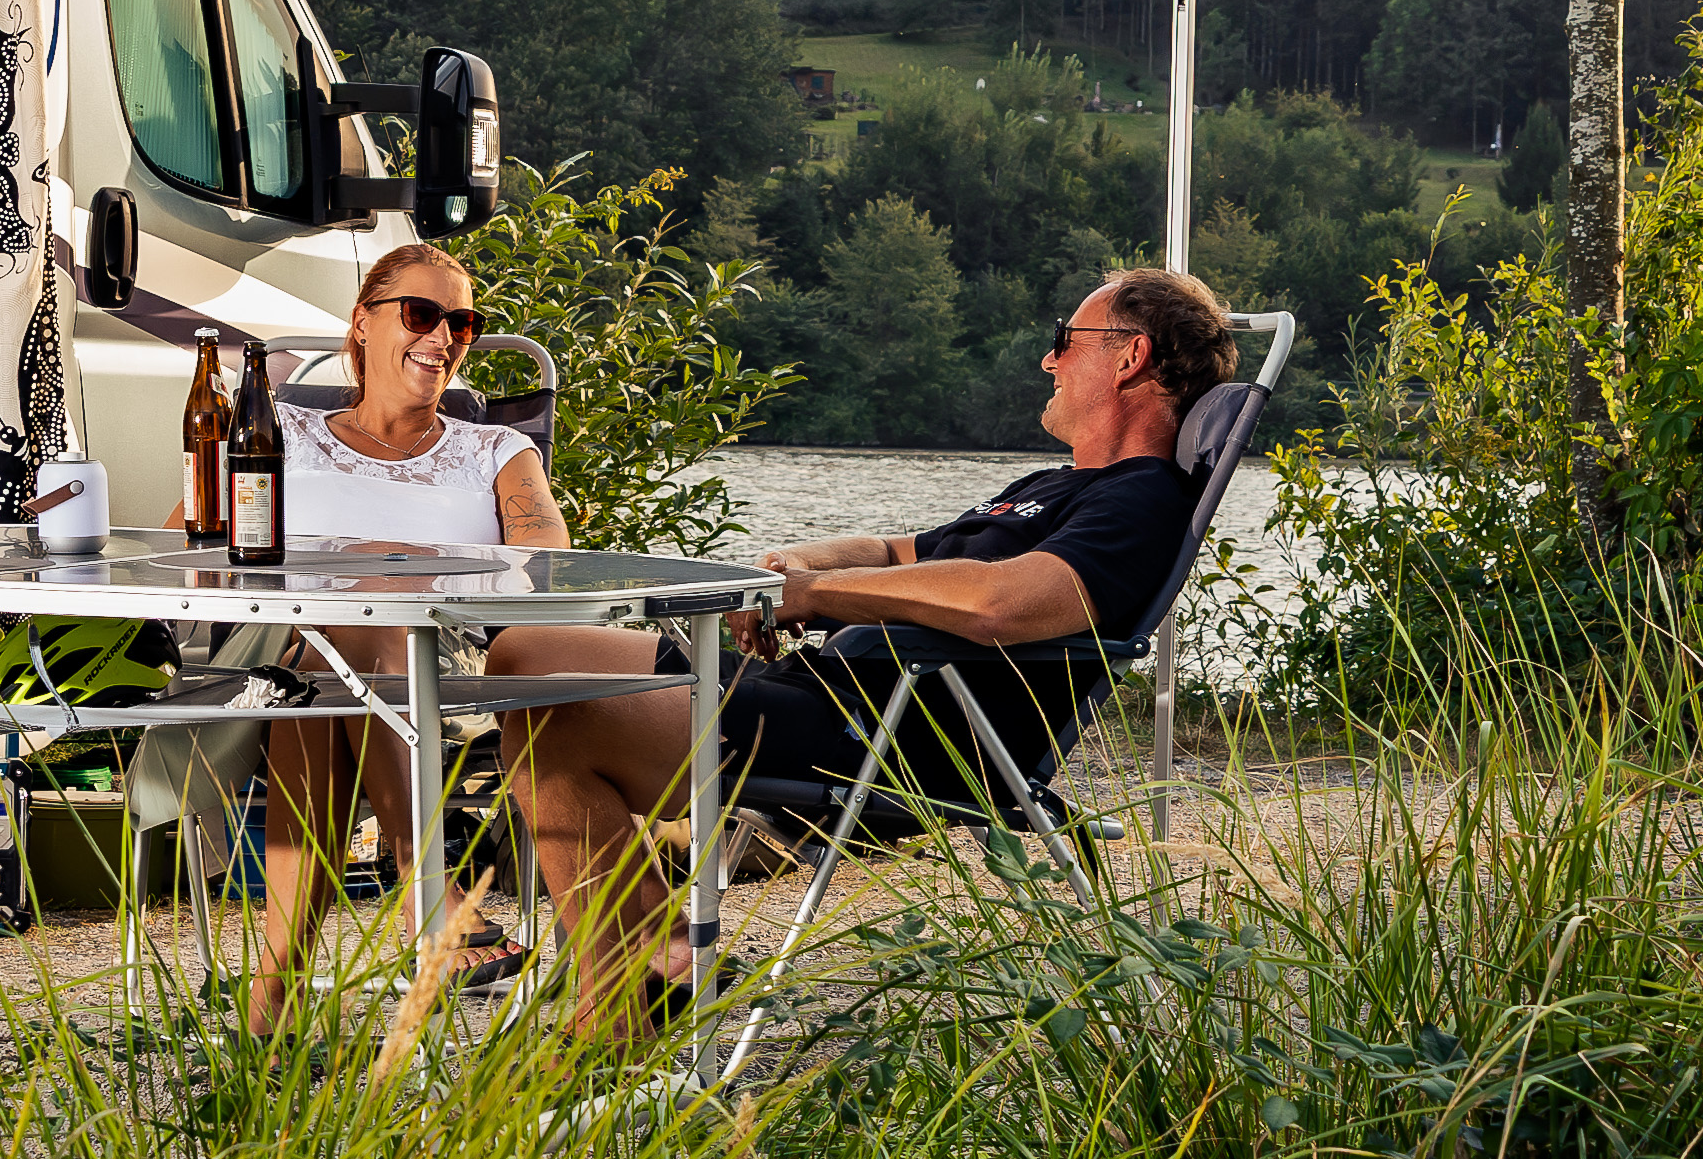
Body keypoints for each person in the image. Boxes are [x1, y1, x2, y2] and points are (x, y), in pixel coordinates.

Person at [494, 265, 1231, 1028]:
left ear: (1129, 356)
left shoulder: (1140, 500)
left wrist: (816, 599)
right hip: (831, 689)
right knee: (525, 652)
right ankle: (666, 946)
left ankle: (623, 1000)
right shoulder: (1051, 485)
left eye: (1063, 341)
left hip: (891, 734)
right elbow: (893, 550)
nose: (1049, 361)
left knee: (559, 715)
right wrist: (801, 565)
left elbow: (1001, 604)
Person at [219, 236, 564, 1036]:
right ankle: (428, 898)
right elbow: (192, 547)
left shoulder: (495, 449)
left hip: (444, 659)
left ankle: (276, 992)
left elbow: (547, 564)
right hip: (270, 645)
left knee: (353, 636)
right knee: (337, 636)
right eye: (421, 314)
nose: (443, 338)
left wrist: (398, 570)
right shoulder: (280, 435)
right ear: (363, 325)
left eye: (462, 323)